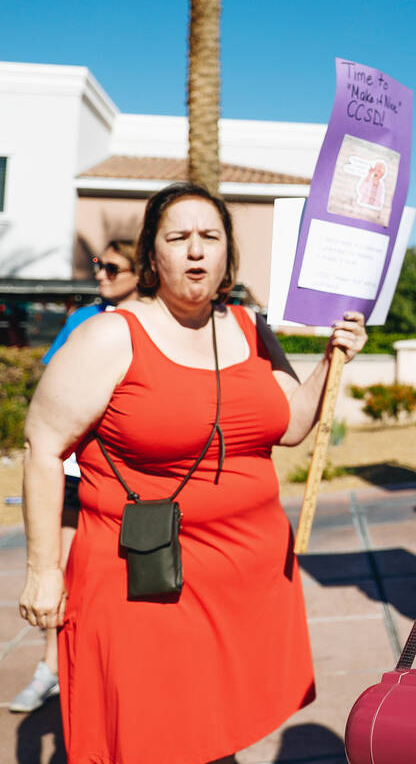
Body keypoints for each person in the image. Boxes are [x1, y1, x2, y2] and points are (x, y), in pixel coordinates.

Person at [18, 182, 368, 763]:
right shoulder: (109, 335)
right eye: (178, 238)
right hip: (145, 581)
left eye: (211, 237)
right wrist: (43, 570)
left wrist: (334, 359)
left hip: (243, 580)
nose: (197, 251)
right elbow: (42, 446)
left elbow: (291, 424)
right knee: (151, 738)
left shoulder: (251, 329)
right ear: (152, 257)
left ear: (229, 252)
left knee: (212, 735)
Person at [9, 240, 138, 714]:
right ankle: (51, 666)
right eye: (98, 265)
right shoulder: (83, 321)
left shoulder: (157, 326)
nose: (101, 274)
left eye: (112, 267)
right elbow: (54, 399)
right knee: (62, 571)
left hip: (132, 487)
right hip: (73, 475)